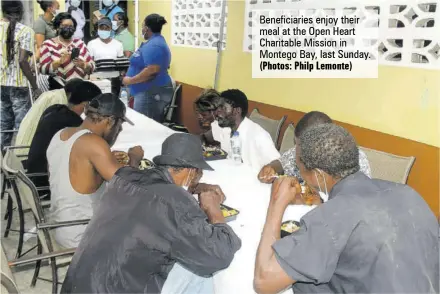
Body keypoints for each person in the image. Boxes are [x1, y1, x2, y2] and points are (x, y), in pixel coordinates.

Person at [254, 124, 439, 294]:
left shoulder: (331, 217)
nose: (299, 172)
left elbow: (264, 282)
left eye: (300, 168)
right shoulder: (408, 193)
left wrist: (276, 204)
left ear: (318, 175)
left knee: (302, 280)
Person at [61, 133, 241, 293]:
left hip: (79, 284)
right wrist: (213, 208)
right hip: (117, 288)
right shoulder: (174, 203)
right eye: (199, 173)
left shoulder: (125, 176)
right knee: (201, 273)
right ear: (191, 171)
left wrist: (190, 190)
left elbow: (156, 203)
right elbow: (220, 255)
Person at [47, 93, 143, 248]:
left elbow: (71, 172)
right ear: (110, 121)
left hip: (61, 226)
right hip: (82, 234)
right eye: (119, 126)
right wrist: (134, 159)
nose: (119, 131)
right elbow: (129, 188)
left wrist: (104, 159)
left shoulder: (62, 133)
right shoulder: (94, 143)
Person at [258, 111, 372, 196]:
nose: (297, 150)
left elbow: (354, 201)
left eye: (300, 146)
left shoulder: (355, 160)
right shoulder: (299, 151)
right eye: (295, 143)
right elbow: (282, 162)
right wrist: (272, 167)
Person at [27, 81, 102, 197]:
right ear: (87, 105)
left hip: (34, 175)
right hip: (45, 183)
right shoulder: (73, 123)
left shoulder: (54, 109)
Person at [201, 89, 280, 170]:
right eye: (217, 108)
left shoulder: (259, 135)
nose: (217, 112)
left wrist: (269, 170)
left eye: (223, 108)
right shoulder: (226, 129)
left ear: (237, 111)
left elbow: (278, 163)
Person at [0, 0, 40, 149]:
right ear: (21, 12)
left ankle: (2, 161)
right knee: (22, 127)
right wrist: (35, 86)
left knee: (3, 126)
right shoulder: (26, 31)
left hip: (1, 84)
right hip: (19, 85)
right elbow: (23, 61)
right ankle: (18, 161)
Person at [122, 13, 173, 123]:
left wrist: (129, 80)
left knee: (144, 126)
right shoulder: (153, 43)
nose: (142, 29)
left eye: (142, 26)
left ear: (147, 28)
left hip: (150, 93)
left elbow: (152, 71)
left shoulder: (155, 45)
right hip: (146, 92)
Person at [15, 78, 84, 156]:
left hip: (23, 148)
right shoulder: (58, 101)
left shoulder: (53, 94)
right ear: (72, 95)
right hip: (28, 153)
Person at [39, 12, 94, 89]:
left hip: (80, 89)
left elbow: (92, 67)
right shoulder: (48, 44)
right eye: (64, 26)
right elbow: (43, 69)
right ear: (57, 27)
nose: (68, 28)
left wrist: (83, 64)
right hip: (58, 89)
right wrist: (59, 62)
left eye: (71, 26)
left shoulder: (79, 43)